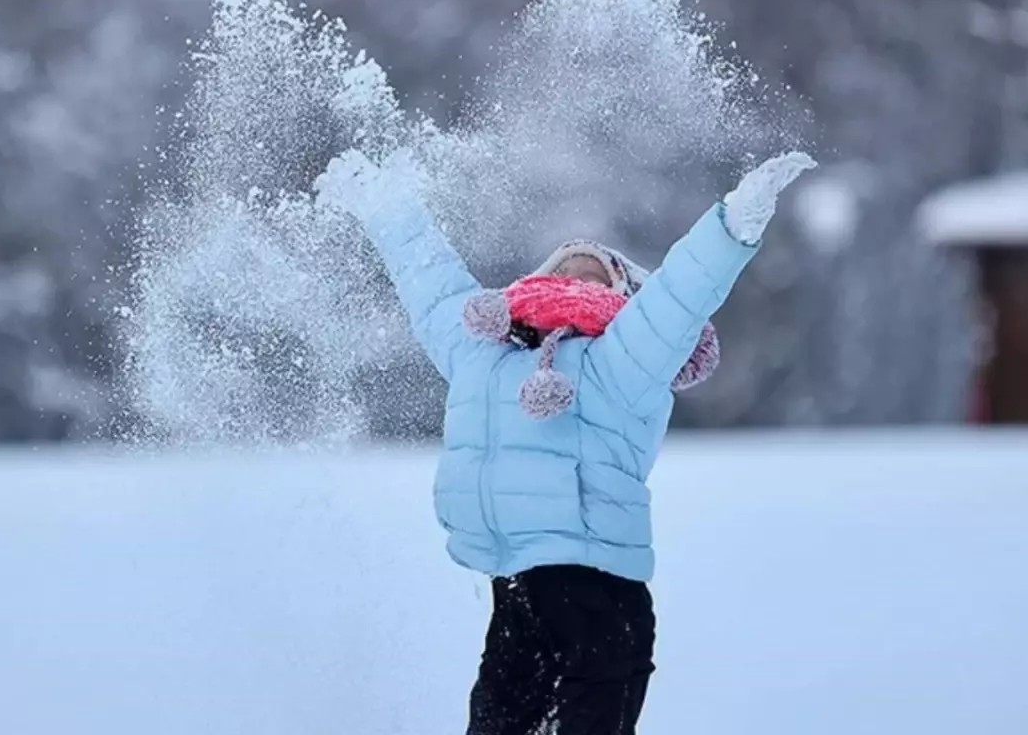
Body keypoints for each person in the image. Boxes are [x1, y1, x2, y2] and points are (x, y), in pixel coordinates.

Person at [315, 147, 816, 734]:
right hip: (517, 594)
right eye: (563, 269)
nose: (575, 277)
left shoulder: (626, 358)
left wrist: (732, 225)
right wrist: (386, 206)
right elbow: (430, 281)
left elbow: (680, 294)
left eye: (595, 272)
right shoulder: (484, 350)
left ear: (626, 297)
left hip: (601, 600)